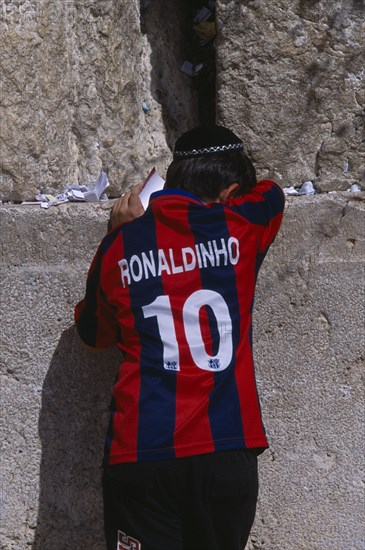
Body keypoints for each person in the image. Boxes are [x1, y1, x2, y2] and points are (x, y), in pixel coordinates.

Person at [75, 125, 285, 550]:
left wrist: (117, 230)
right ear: (229, 193)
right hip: (227, 451)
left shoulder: (120, 245)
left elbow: (93, 334)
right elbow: (271, 192)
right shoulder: (240, 226)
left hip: (141, 454)